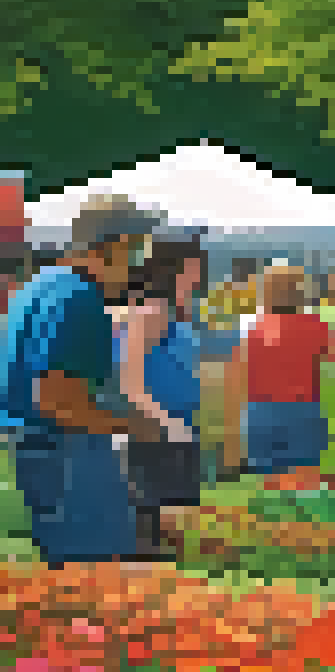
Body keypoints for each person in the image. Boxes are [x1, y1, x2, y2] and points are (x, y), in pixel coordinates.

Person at [0, 195, 160, 565]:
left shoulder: (38, 287)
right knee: (97, 575)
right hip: (70, 454)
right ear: (117, 244)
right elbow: (59, 402)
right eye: (141, 244)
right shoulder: (79, 299)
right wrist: (139, 426)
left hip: (35, 451)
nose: (144, 257)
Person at [118, 236, 209, 557]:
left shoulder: (173, 311)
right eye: (194, 265)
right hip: (153, 429)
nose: (199, 273)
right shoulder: (152, 311)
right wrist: (167, 422)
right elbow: (130, 381)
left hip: (174, 427)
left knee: (164, 523)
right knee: (147, 520)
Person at [229, 266, 335, 477]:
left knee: (265, 486)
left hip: (261, 412)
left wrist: (231, 429)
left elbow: (235, 378)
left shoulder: (250, 327)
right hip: (305, 412)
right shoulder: (317, 326)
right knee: (307, 485)